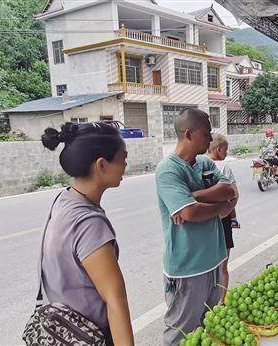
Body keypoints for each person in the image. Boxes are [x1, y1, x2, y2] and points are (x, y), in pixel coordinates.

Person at [38, 122, 134, 345]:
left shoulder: (64, 200)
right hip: (87, 336)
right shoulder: (89, 224)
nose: (126, 164)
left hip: (61, 331)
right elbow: (115, 302)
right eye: (123, 157)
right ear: (101, 165)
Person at [156, 108, 238, 345]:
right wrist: (216, 208)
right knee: (180, 333)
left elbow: (229, 192)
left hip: (213, 262)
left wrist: (192, 196)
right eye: (207, 133)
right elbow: (189, 212)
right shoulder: (168, 169)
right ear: (190, 134)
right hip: (187, 269)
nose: (211, 139)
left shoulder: (204, 162)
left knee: (206, 328)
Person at [204, 133, 240, 302]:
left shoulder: (197, 164)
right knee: (222, 266)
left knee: (206, 267)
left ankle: (207, 301)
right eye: (225, 149)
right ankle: (221, 301)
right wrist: (226, 213)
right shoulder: (224, 166)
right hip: (222, 221)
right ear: (218, 149)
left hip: (203, 220)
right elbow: (235, 195)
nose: (226, 153)